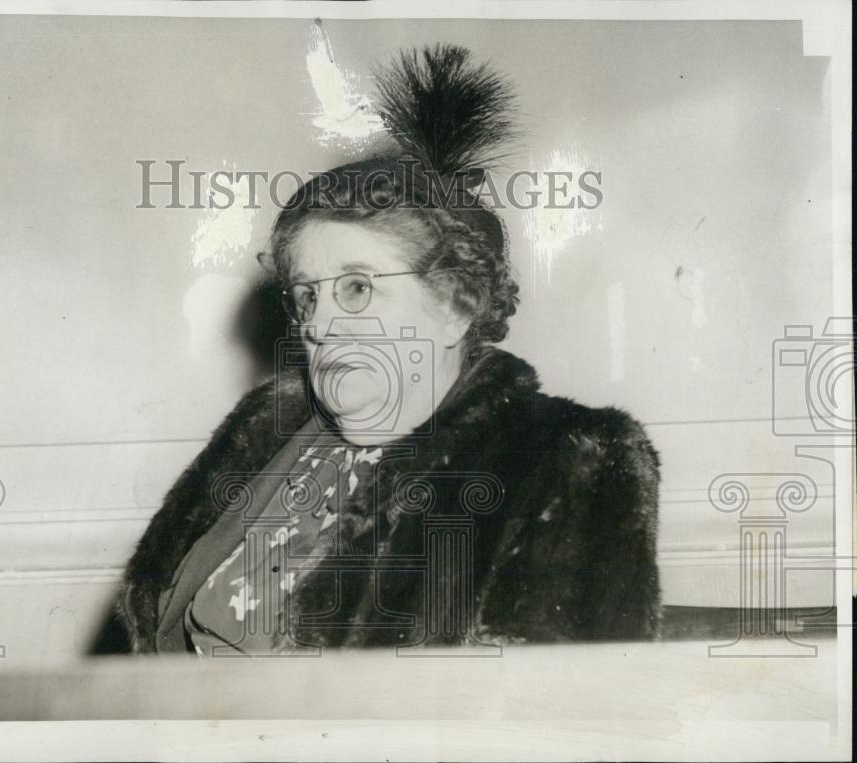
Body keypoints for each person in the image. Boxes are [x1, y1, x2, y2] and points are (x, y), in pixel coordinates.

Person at [119, 44, 661, 655]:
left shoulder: (568, 456)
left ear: (454, 303)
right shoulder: (268, 429)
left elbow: (555, 700)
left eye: (356, 288)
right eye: (307, 296)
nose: (319, 323)